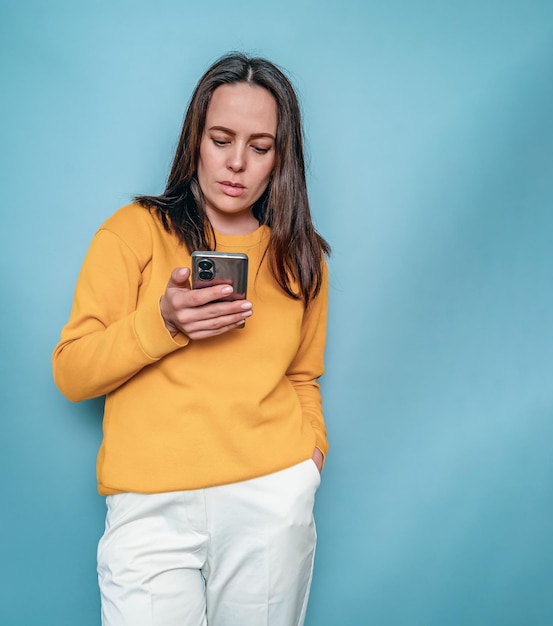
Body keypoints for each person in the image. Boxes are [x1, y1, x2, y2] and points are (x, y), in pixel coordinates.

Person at [52, 51, 330, 626]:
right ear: (195, 139)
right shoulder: (133, 231)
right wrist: (164, 323)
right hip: (151, 506)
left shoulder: (301, 258)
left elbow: (303, 375)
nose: (236, 164)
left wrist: (310, 458)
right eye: (221, 139)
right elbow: (72, 371)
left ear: (281, 157)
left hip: (271, 495)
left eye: (259, 147)